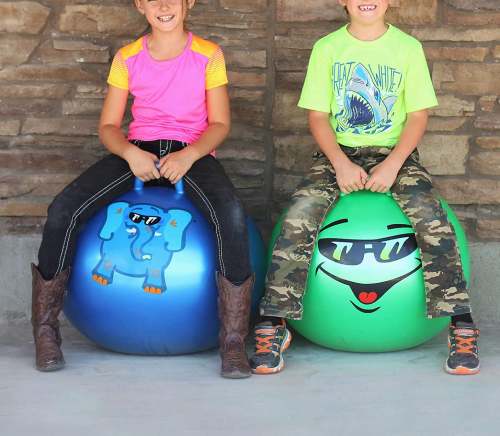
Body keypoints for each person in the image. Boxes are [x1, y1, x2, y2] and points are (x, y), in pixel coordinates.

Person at [250, 0, 479, 376]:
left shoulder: (407, 48)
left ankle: (461, 323)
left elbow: (418, 116)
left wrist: (393, 165)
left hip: (395, 156)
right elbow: (318, 117)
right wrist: (340, 163)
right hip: (337, 156)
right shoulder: (327, 48)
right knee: (298, 215)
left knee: (430, 215)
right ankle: (274, 321)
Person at [31, 0, 254, 379]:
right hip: (138, 152)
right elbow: (108, 126)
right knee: (63, 208)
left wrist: (190, 155)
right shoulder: (127, 57)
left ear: (188, 3)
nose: (163, 6)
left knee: (230, 213)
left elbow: (219, 123)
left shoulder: (209, 54)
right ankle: (45, 333)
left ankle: (233, 343)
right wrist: (130, 153)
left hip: (191, 152)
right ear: (140, 5)